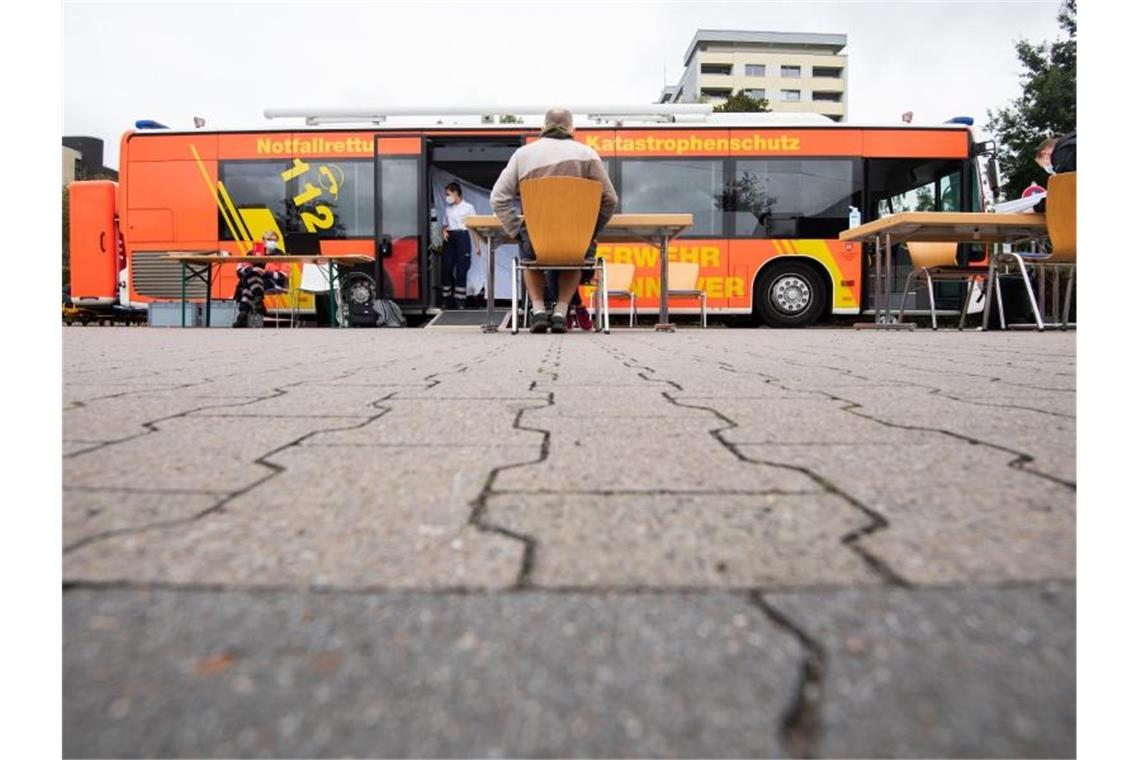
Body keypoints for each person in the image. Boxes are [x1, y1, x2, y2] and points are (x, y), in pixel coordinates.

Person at [491, 107, 618, 333]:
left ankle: (538, 311)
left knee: (530, 255)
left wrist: (517, 229)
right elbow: (610, 199)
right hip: (576, 238)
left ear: (543, 128)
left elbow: (498, 198)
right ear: (572, 129)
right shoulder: (587, 154)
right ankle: (560, 312)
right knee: (573, 255)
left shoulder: (523, 155)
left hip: (537, 241)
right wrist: (589, 229)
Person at [232, 230, 288, 328]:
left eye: (275, 240)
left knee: (248, 286)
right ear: (264, 240)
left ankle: (243, 314)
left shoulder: (281, 255)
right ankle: (258, 300)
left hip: (270, 282)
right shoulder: (252, 253)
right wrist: (252, 269)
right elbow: (239, 270)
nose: (272, 242)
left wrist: (266, 273)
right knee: (253, 275)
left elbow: (283, 275)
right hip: (256, 283)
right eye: (270, 239)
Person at [441, 182, 481, 309]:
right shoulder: (448, 209)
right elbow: (445, 225)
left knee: (461, 269)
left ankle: (460, 301)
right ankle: (446, 299)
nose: (447, 197)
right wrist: (444, 231)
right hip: (450, 238)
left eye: (448, 194)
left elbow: (474, 228)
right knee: (446, 268)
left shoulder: (468, 207)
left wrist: (477, 246)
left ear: (455, 192)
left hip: (463, 237)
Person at [1033, 131, 1076, 212]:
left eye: (1042, 165)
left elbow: (1066, 193)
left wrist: (1038, 207)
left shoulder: (1063, 156)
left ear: (1045, 155)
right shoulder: (1072, 145)